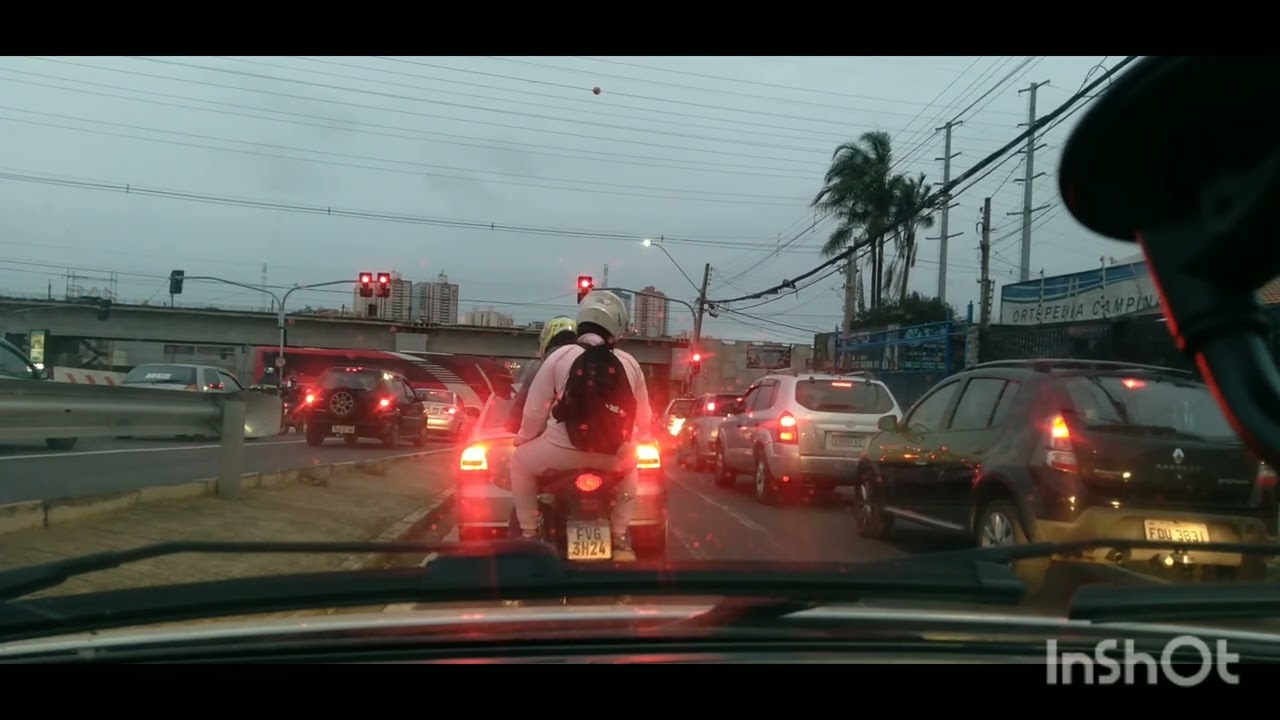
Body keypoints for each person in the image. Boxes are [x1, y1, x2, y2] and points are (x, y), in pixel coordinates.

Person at [509, 291, 652, 562]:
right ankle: (620, 538)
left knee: (519, 462)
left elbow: (535, 410)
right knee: (633, 466)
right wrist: (642, 439)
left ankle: (528, 534)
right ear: (618, 327)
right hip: (613, 458)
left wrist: (523, 438)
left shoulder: (560, 355)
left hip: (560, 449)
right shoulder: (629, 363)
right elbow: (644, 418)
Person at [504, 316, 578, 434]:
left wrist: (512, 430)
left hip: (545, 439)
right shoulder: (590, 366)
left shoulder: (539, 368)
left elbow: (521, 413)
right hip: (587, 443)